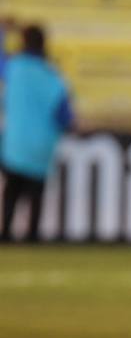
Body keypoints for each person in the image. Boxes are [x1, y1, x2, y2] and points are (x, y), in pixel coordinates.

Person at [0, 25, 74, 244]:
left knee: (11, 192)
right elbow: (65, 116)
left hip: (15, 144)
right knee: (35, 194)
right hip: (42, 147)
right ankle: (32, 237)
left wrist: (3, 31)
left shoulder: (14, 67)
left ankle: (5, 235)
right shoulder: (53, 76)